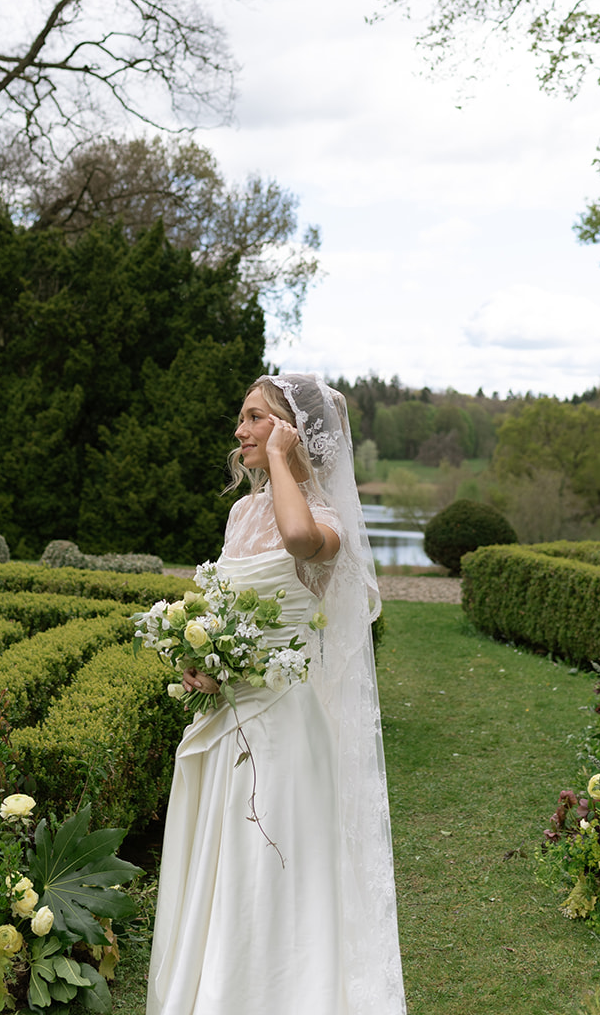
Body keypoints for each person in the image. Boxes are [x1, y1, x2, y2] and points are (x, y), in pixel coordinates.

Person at [146, 373, 406, 1015]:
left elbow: (296, 541)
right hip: (225, 713)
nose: (241, 431)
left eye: (256, 418)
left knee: (267, 871)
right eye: (243, 418)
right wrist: (199, 658)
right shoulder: (240, 512)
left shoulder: (325, 516)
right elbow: (222, 604)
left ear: (292, 430)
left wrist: (286, 461)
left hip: (284, 724)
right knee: (221, 868)